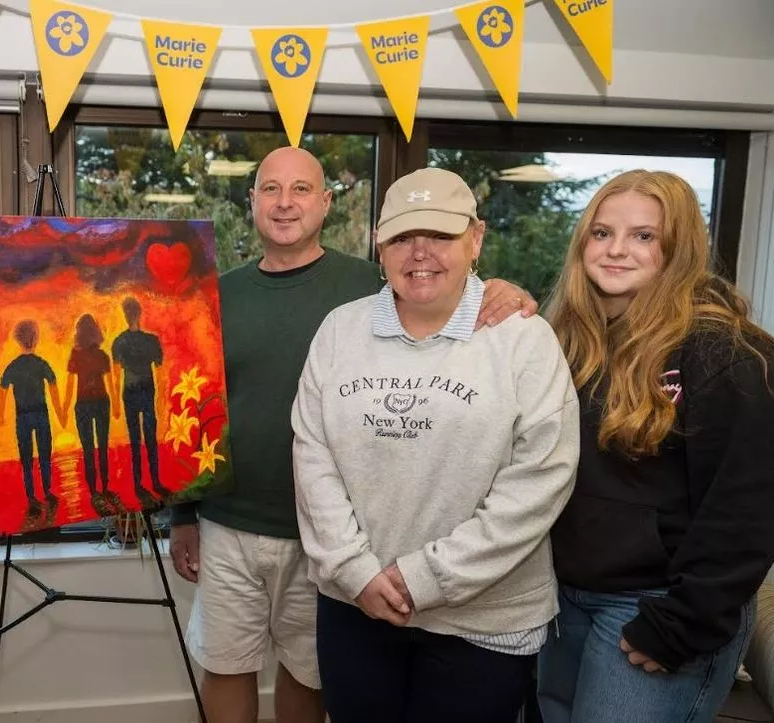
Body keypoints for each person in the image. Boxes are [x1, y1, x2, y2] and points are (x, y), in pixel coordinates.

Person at [167, 146, 540, 723]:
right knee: (225, 662)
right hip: (227, 521)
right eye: (270, 189)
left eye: (300, 189)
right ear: (252, 202)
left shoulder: (373, 287)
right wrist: (184, 515)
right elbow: (187, 409)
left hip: (328, 539)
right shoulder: (213, 295)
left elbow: (445, 285)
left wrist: (504, 291)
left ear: (326, 203)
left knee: (308, 672)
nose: (285, 203)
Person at [290, 166, 580, 722]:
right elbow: (312, 456)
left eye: (440, 235)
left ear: (476, 239)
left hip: (481, 621)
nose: (420, 252)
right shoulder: (339, 330)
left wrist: (424, 577)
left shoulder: (523, 339)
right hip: (357, 604)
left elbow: (541, 481)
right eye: (402, 237)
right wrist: (355, 571)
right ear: (380, 246)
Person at [536, 170, 774, 722]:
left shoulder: (730, 354)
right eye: (602, 233)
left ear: (679, 248)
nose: (618, 249)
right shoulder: (569, 342)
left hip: (653, 611)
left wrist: (681, 624)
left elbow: (747, 510)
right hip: (561, 599)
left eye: (644, 236)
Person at [0, 318, 63, 517]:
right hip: (41, 414)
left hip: (23, 417)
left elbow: (2, 390)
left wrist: (0, 414)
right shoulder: (41, 363)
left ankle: (31, 496)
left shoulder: (14, 366)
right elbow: (53, 387)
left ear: (18, 340)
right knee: (44, 455)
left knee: (26, 458)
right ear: (35, 339)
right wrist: (60, 412)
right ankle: (47, 491)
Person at [112, 296, 169, 502]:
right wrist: (162, 400)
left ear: (127, 315)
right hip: (142, 392)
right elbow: (160, 373)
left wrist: (116, 403)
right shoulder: (149, 341)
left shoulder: (120, 341)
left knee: (138, 439)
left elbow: (116, 375)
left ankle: (142, 485)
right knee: (146, 439)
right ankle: (151, 483)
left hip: (133, 393)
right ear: (138, 314)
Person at [60, 313, 119, 515]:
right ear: (95, 332)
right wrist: (117, 404)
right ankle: (104, 487)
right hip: (102, 402)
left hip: (83, 404)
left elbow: (69, 385)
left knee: (88, 450)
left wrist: (64, 408)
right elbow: (110, 383)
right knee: (102, 446)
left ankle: (94, 491)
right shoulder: (102, 355)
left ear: (79, 333)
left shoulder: (75, 355)